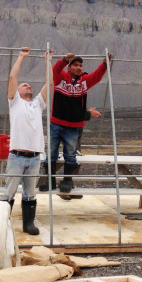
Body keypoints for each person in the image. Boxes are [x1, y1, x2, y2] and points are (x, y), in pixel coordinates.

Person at [0, 47, 53, 236]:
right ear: (17, 91)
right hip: (17, 156)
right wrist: (21, 57)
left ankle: (28, 224)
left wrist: (48, 61)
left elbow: (50, 83)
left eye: (29, 85)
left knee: (31, 192)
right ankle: (1, 224)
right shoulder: (15, 102)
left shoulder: (38, 103)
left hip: (34, 157)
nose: (28, 86)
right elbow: (12, 79)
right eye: (25, 85)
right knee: (9, 191)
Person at [39, 52, 112, 193]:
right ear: (69, 67)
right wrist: (65, 60)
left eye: (81, 65)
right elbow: (54, 70)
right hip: (56, 124)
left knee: (70, 154)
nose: (79, 67)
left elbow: (96, 77)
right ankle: (50, 180)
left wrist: (104, 64)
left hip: (73, 127)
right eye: (76, 65)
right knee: (51, 153)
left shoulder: (84, 82)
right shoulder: (60, 79)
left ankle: (67, 180)